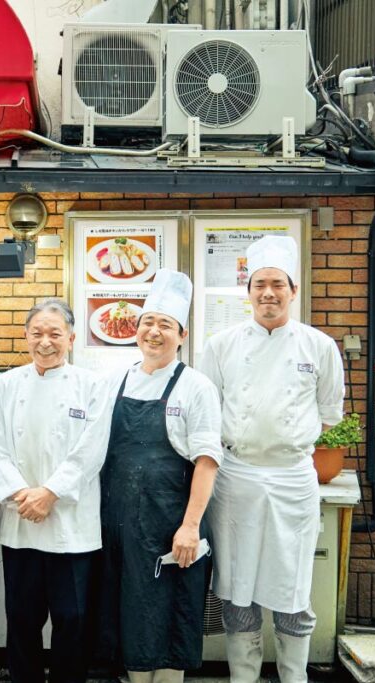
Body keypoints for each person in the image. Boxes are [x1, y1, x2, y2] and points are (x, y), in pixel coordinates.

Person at [198, 236, 344, 683]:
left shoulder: (319, 346)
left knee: (292, 588)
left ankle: (293, 676)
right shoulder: (221, 345)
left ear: (293, 290)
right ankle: (243, 677)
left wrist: (284, 442)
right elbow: (208, 412)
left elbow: (328, 414)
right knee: (236, 588)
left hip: (293, 479)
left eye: (278, 284)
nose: (268, 293)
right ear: (247, 291)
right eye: (259, 284)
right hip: (236, 478)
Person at [98, 269, 222, 683]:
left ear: (182, 335)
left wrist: (190, 527)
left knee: (169, 621)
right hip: (118, 530)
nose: (154, 332)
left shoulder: (196, 387)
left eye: (165, 325)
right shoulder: (114, 381)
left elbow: (207, 461)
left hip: (171, 527)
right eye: (147, 322)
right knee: (128, 621)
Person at [0, 298, 112, 683]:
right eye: (37, 333)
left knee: (72, 620)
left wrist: (50, 493)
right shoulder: (6, 386)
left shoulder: (93, 386)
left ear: (71, 338)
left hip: (71, 526)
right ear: (25, 336)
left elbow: (91, 451)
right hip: (21, 523)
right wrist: (23, 495)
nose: (45, 342)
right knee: (22, 619)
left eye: (55, 334)